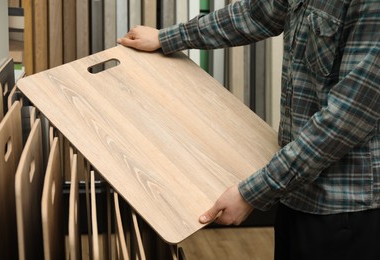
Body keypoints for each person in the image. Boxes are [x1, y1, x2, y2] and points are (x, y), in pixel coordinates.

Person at [118, 0, 380, 259]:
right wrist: (167, 37)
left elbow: (345, 120)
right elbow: (255, 15)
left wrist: (253, 193)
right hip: (297, 191)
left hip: (347, 210)